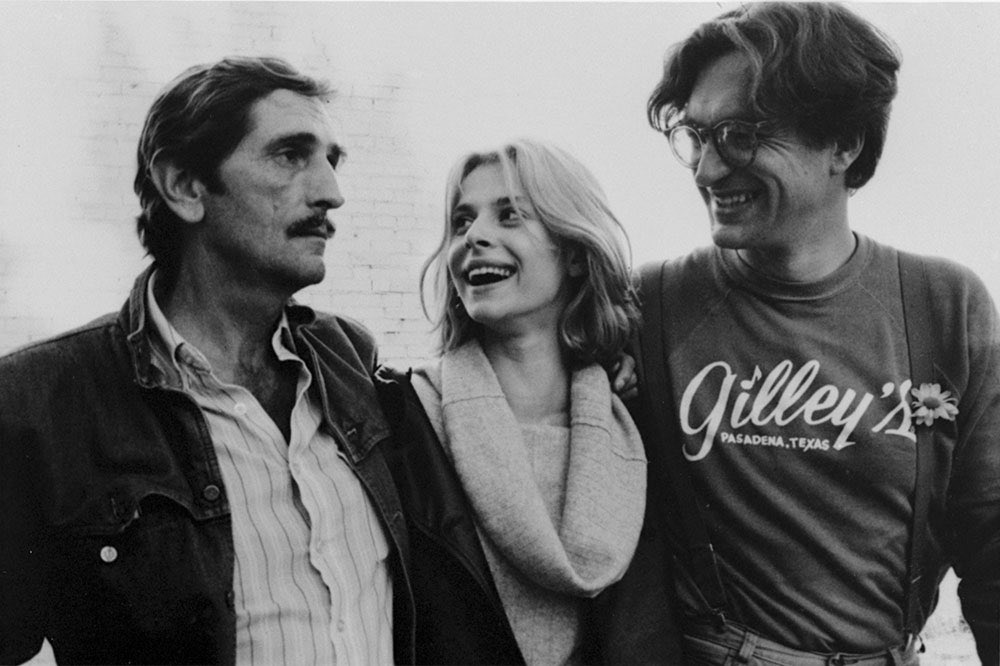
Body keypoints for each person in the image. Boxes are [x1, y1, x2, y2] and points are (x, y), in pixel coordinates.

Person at [0, 56, 415, 665]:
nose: (332, 192)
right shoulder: (38, 405)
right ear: (185, 187)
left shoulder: (349, 359)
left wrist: (602, 361)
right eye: (290, 155)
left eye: (332, 160)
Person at [634, 2, 1000, 664]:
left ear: (844, 142)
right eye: (698, 135)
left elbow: (994, 542)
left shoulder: (945, 307)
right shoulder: (650, 307)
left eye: (742, 134)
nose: (708, 171)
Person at [375, 138, 682, 664]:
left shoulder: (636, 426)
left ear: (577, 254)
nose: (475, 237)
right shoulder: (399, 421)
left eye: (510, 216)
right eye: (461, 220)